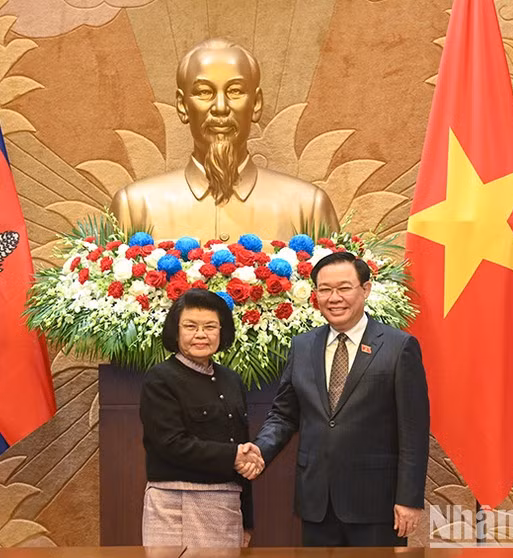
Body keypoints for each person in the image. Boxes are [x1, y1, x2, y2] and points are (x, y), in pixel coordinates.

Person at [246, 252, 430, 547]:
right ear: (315, 294)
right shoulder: (303, 346)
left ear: (365, 289)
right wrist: (260, 449)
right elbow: (283, 414)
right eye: (325, 289)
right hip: (316, 502)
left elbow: (413, 431)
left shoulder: (399, 347)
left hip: (375, 503)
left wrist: (409, 498)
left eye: (344, 288)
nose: (334, 298)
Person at [109, 38, 339, 242]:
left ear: (256, 103)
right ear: (182, 106)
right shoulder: (136, 207)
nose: (220, 108)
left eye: (235, 91)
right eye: (204, 92)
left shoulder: (308, 207)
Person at [140, 288, 263, 547]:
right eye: (190, 326)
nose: (200, 334)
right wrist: (233, 456)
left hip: (228, 506)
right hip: (175, 506)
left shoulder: (232, 379)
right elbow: (170, 444)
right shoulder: (160, 378)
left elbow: (240, 448)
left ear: (222, 331)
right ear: (176, 330)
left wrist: (247, 520)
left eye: (210, 326)